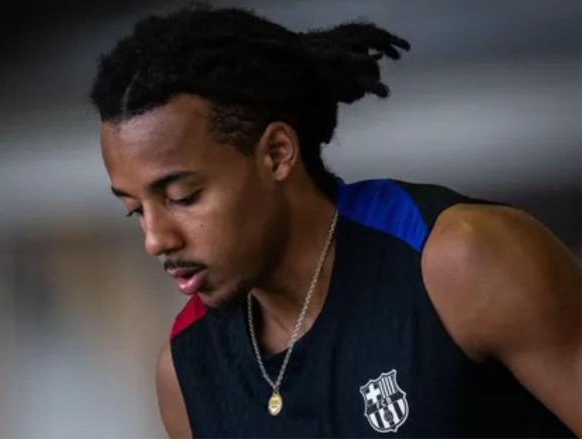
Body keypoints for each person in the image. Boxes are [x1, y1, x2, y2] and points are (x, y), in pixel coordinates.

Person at [90, 5, 581, 437]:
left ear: (277, 154)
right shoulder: (187, 372)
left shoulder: (460, 260)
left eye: (183, 196)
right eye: (135, 210)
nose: (155, 239)